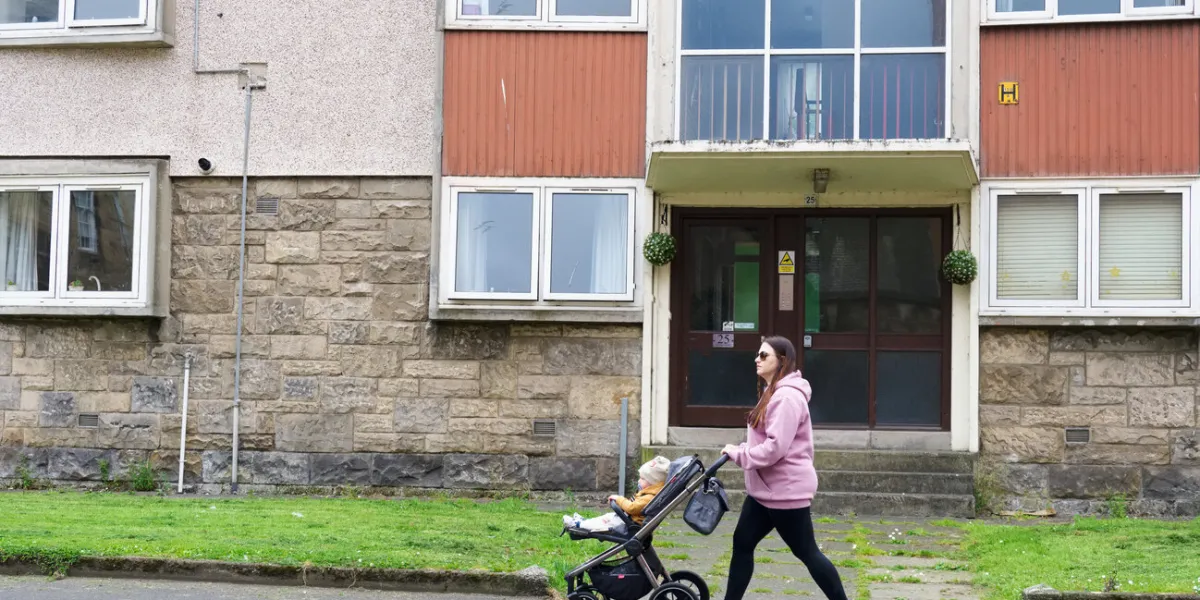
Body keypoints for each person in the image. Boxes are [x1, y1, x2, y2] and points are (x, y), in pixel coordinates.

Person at [719, 336, 848, 600]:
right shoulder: (774, 392)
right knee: (742, 542)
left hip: (785, 491)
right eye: (757, 354)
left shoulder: (787, 398)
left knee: (807, 552)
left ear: (782, 361)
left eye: (764, 355)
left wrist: (739, 454)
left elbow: (775, 448)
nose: (757, 359)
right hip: (766, 491)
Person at [562, 456, 670, 531]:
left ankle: (578, 525)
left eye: (642, 479)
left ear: (653, 483)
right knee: (607, 517)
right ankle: (584, 522)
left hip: (629, 524)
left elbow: (632, 508)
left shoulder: (649, 497)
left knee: (605, 523)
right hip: (627, 519)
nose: (638, 481)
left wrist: (619, 499)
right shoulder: (647, 493)